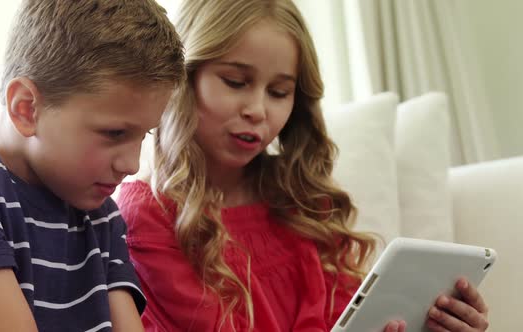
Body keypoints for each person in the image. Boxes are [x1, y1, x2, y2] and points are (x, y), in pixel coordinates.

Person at [117, 0, 490, 331]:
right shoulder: (147, 212)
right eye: (235, 81)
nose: (258, 110)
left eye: (279, 92)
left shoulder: (301, 201)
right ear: (184, 78)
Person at [0, 0, 185, 331]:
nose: (132, 165)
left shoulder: (101, 214)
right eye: (114, 133)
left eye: (144, 135)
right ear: (26, 108)